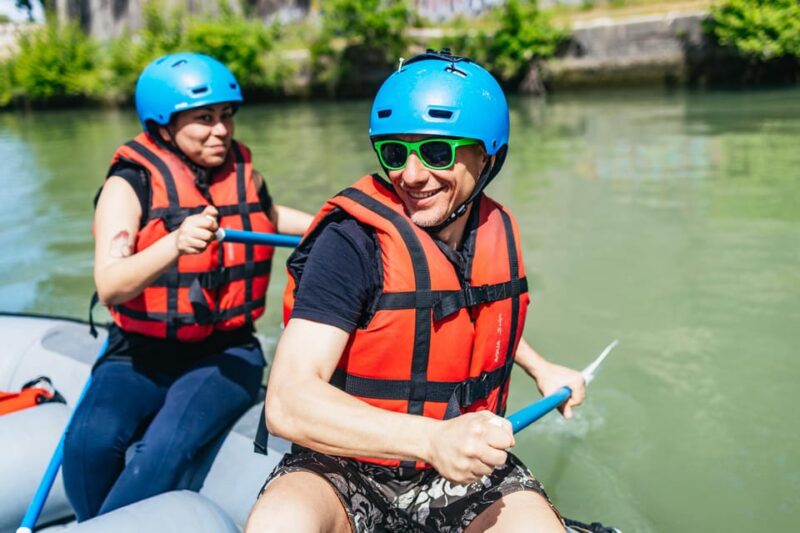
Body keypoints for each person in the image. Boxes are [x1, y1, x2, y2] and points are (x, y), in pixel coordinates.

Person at [246, 50, 587, 533]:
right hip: (345, 464)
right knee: (279, 523)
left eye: (436, 152)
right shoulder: (350, 243)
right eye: (394, 152)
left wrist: (541, 366)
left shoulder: (490, 232)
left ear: (487, 156)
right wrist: (430, 440)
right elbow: (287, 400)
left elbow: (473, 318)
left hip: (460, 471)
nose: (410, 174)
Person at [62, 52, 312, 521]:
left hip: (226, 352)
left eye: (225, 116)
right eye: (203, 119)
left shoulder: (241, 170)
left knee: (162, 450)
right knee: (86, 446)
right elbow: (111, 285)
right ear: (163, 124)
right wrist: (175, 244)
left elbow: (266, 218)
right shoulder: (129, 183)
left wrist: (330, 226)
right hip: (139, 351)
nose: (220, 130)